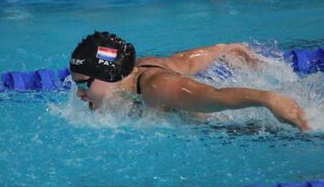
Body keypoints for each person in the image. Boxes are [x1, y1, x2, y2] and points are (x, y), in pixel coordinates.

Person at [69, 31, 311, 132]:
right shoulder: (139, 68)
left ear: (109, 77)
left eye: (83, 85)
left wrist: (267, 99)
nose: (79, 93)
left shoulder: (156, 87)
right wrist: (223, 49)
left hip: (238, 126)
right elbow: (183, 61)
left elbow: (214, 97)